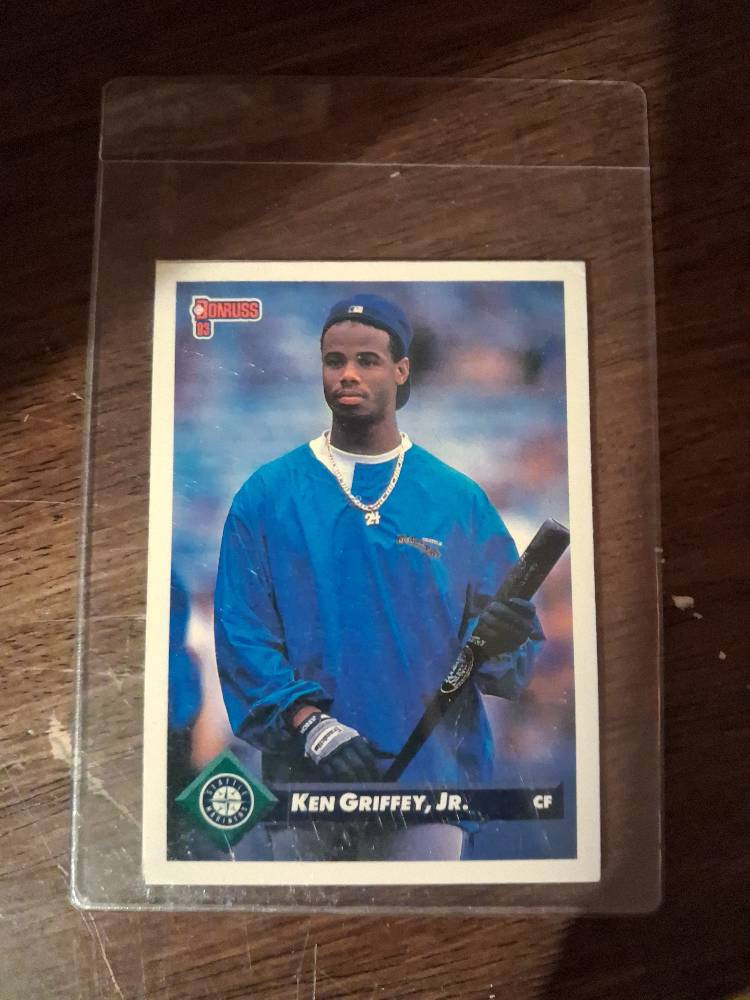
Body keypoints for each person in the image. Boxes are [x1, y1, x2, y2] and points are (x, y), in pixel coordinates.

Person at [214, 294, 544, 814]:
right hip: (307, 776)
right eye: (334, 361)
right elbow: (243, 633)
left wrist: (502, 639)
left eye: (367, 360)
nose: (348, 374)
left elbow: (507, 663)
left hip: (431, 773)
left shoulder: (457, 499)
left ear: (400, 370)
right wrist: (309, 723)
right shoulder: (266, 494)